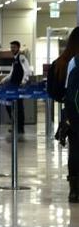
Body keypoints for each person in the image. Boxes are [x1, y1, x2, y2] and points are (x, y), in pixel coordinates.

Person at [49, 27, 79, 202]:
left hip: (71, 113)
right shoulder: (73, 62)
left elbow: (54, 91)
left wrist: (65, 101)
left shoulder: (62, 62)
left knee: (75, 150)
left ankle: (74, 190)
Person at [1, 41, 31, 134]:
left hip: (18, 85)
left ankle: (20, 128)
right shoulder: (14, 59)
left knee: (19, 107)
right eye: (11, 47)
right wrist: (4, 79)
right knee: (9, 104)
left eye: (14, 47)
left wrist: (24, 81)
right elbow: (11, 73)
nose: (12, 49)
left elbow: (27, 71)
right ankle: (15, 125)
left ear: (18, 48)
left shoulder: (21, 57)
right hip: (12, 85)